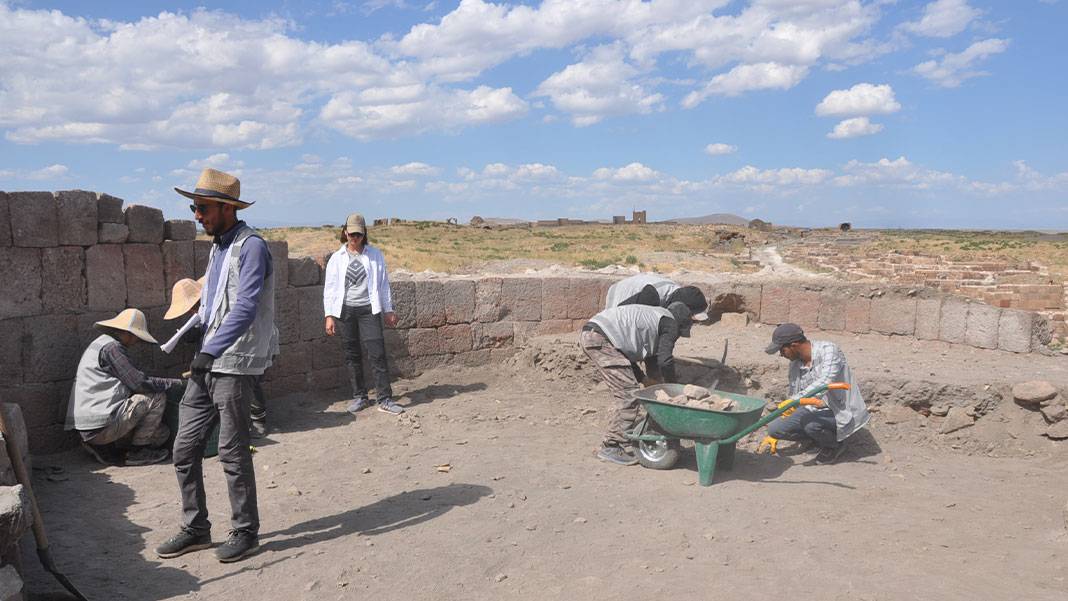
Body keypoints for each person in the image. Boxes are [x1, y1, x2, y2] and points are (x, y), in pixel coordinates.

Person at [156, 167, 277, 564]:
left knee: (232, 450)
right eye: (194, 207)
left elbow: (245, 307)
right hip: (209, 360)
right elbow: (213, 301)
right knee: (184, 447)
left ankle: (245, 531)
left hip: (234, 362)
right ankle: (196, 528)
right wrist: (195, 337)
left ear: (226, 208)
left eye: (202, 207)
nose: (196, 215)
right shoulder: (218, 246)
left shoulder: (252, 246)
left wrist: (211, 351)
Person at [581, 302, 694, 466]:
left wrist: (644, 379)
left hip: (596, 334)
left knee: (629, 389)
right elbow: (665, 361)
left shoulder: (655, 318)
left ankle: (620, 437)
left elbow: (624, 356)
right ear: (680, 323)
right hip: (600, 337)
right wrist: (673, 389)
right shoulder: (670, 323)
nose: (676, 336)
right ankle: (610, 446)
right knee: (628, 394)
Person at [65, 309, 180, 466]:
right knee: (157, 396)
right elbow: (139, 383)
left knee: (163, 434)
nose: (136, 342)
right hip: (99, 427)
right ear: (127, 333)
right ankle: (139, 452)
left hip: (90, 428)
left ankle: (104, 446)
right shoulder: (113, 348)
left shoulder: (101, 343)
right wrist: (174, 383)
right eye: (136, 338)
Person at [164, 277, 272, 439]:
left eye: (193, 308)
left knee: (250, 381)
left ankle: (259, 422)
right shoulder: (201, 311)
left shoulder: (226, 302)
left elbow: (233, 327)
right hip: (231, 349)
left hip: (253, 343)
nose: (192, 312)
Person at [323, 213, 402, 415]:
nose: (354, 238)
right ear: (345, 232)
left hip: (369, 309)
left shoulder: (375, 255)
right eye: (351, 234)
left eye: (358, 234)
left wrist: (389, 309)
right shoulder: (336, 258)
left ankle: (384, 398)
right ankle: (360, 396)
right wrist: (329, 315)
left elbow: (383, 284)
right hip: (346, 310)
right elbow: (330, 289)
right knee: (352, 354)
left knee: (377, 353)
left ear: (364, 234)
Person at [764, 323, 869, 464]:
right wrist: (787, 412)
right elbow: (796, 392)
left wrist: (794, 401)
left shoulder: (829, 350)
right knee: (775, 428)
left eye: (782, 350)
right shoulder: (795, 364)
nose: (781, 355)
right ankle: (813, 438)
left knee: (810, 424)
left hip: (840, 410)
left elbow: (825, 382)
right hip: (814, 409)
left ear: (794, 345)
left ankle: (834, 445)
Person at [604, 273, 711, 321]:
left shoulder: (677, 294)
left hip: (638, 292)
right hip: (621, 293)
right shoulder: (652, 296)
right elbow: (623, 311)